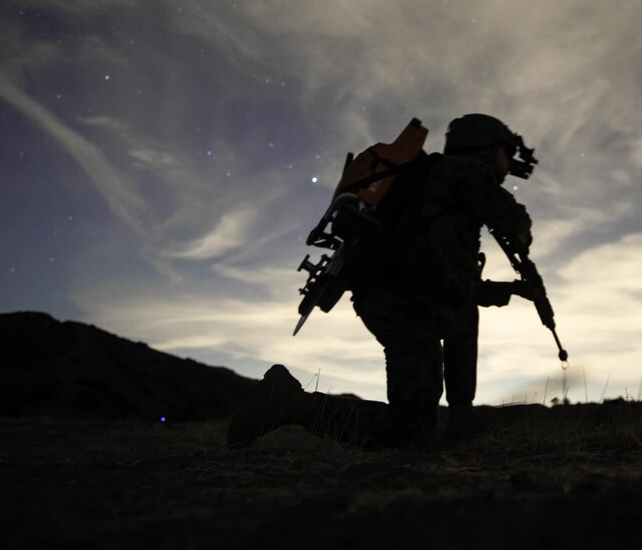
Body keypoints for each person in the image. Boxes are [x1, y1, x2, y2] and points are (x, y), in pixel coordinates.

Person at [228, 114, 537, 449]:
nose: (508, 165)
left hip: (398, 294)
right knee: (411, 430)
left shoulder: (435, 189)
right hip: (406, 299)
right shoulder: (464, 171)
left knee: (460, 321)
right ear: (488, 148)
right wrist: (521, 235)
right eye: (506, 154)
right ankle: (290, 404)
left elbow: (454, 282)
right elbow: (513, 225)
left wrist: (511, 290)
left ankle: (462, 418)